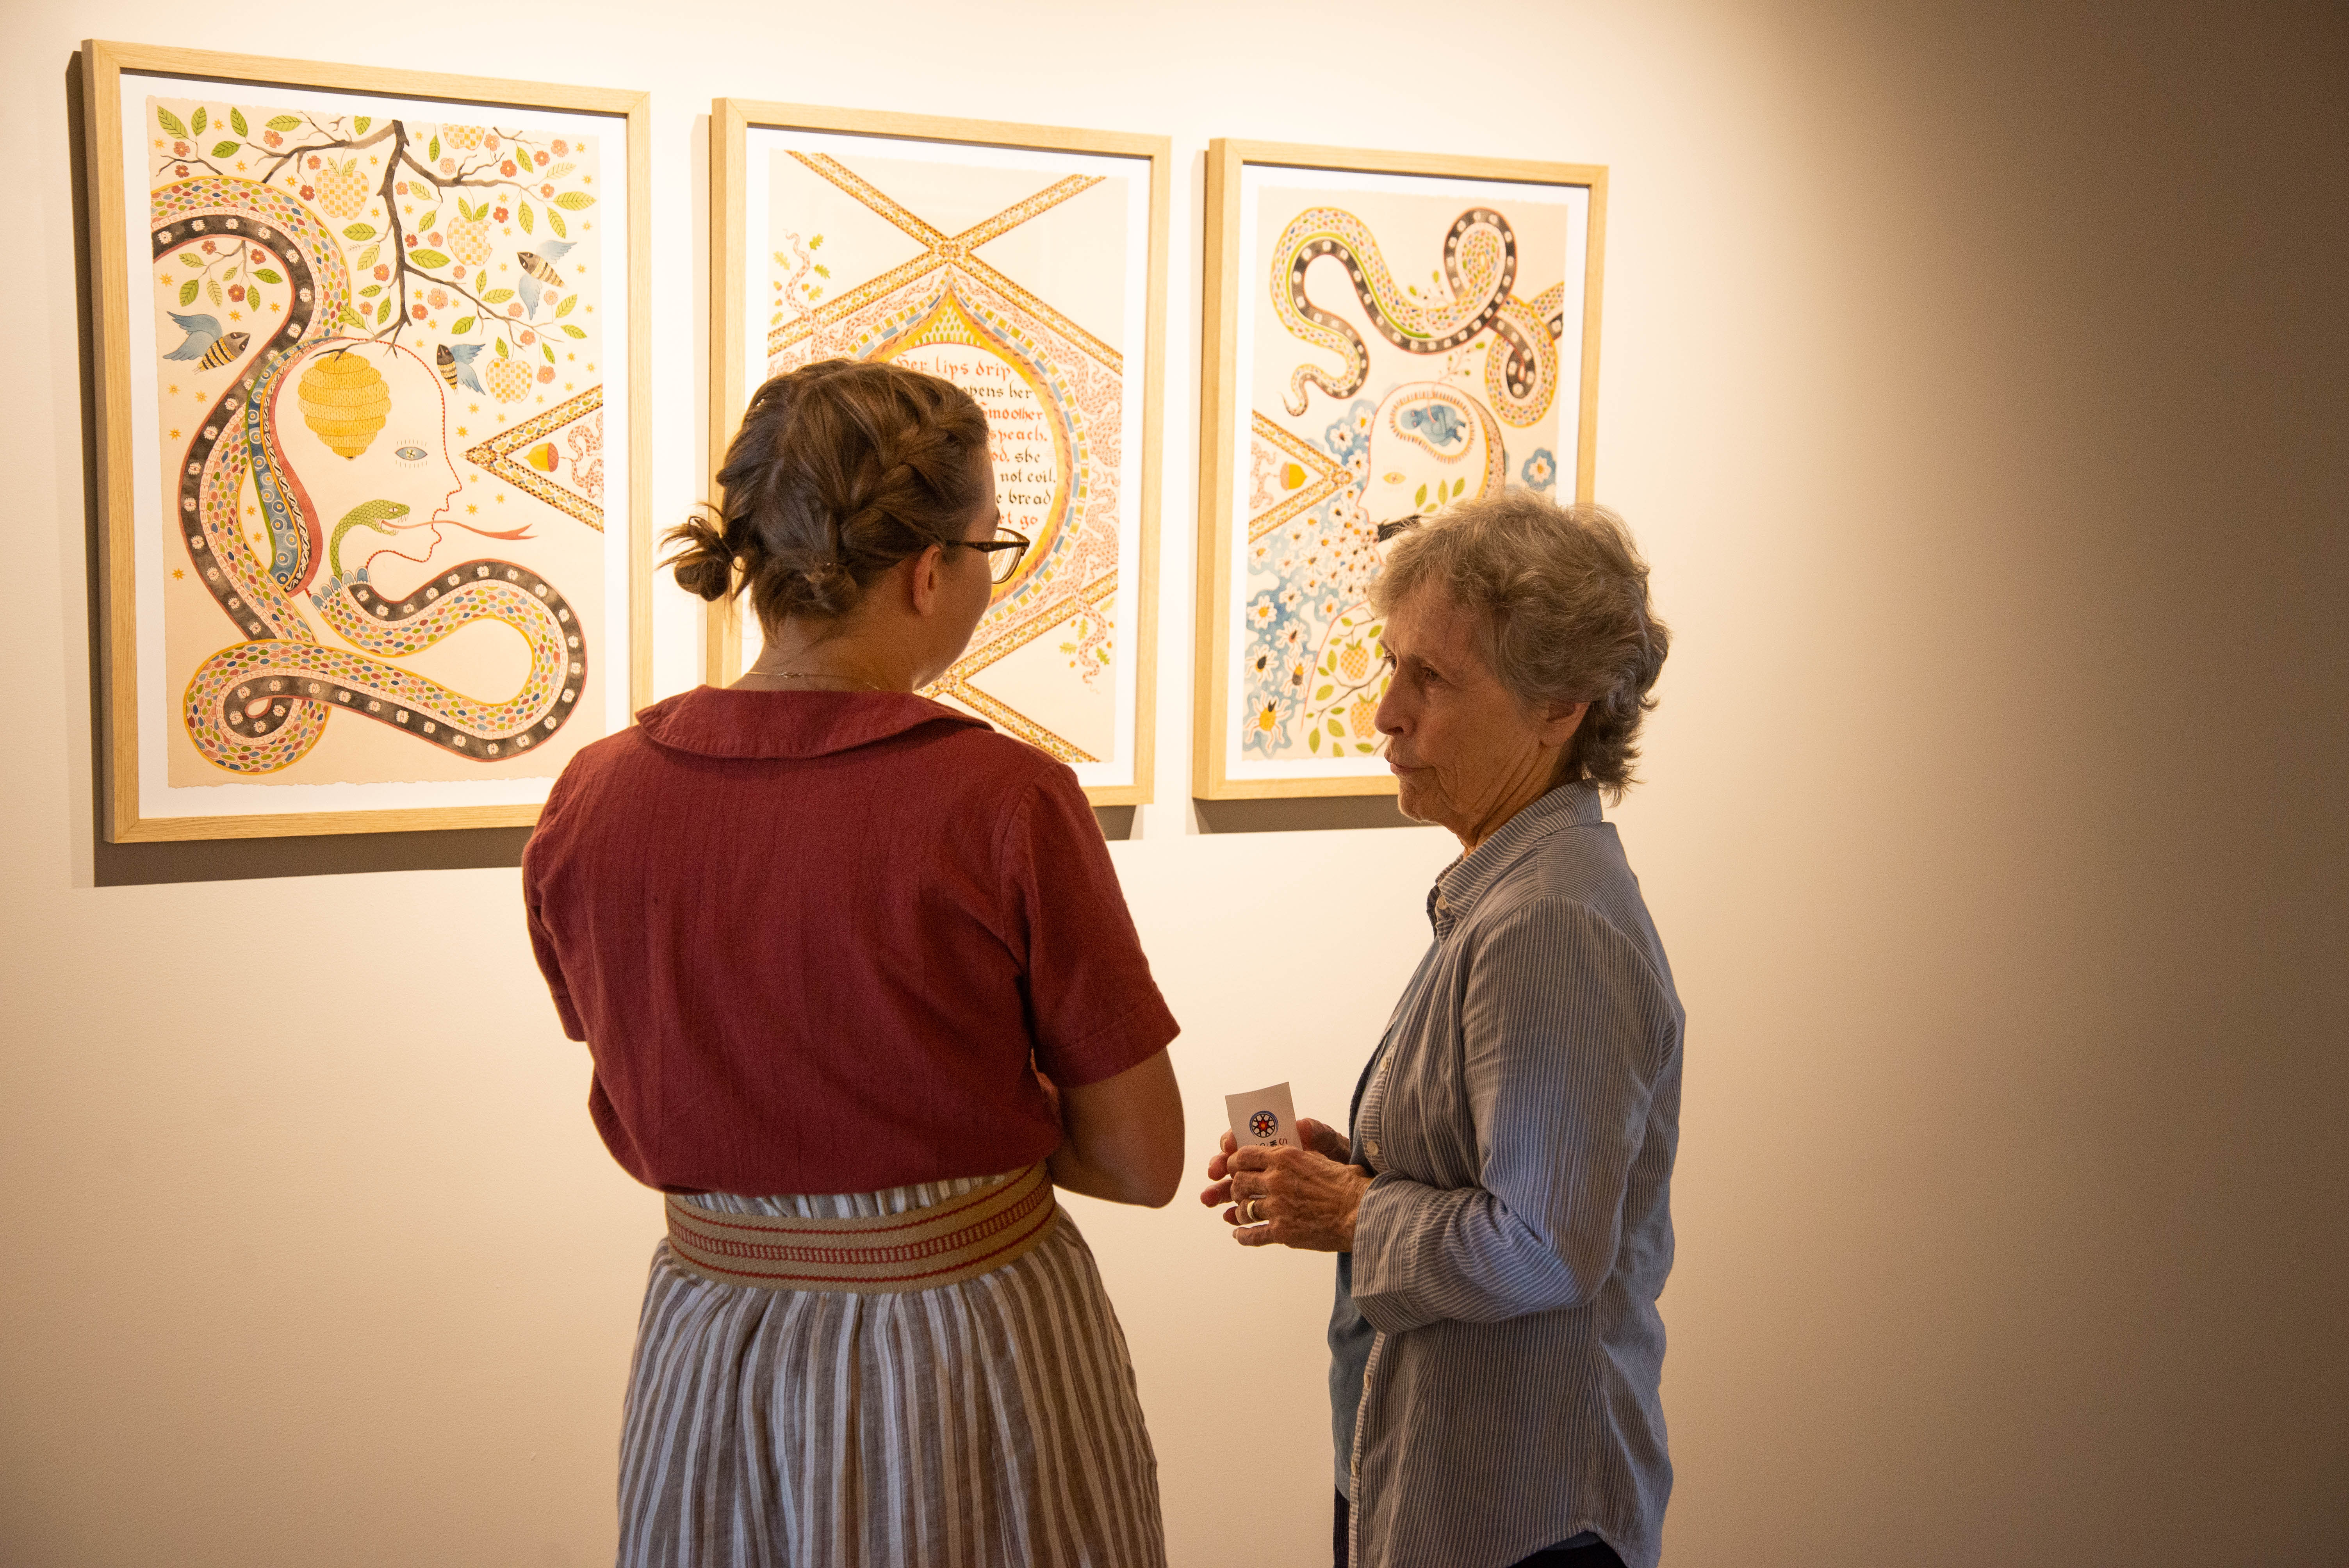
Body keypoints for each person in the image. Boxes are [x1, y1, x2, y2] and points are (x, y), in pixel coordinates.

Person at [523, 358, 1183, 1568]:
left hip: (712, 1354)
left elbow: (657, 1058)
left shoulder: (594, 798)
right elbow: (1142, 1159)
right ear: (930, 571)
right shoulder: (1004, 799)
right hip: (961, 1359)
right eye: (994, 545)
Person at [1201, 494, 1682, 1568]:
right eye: (1392, 667)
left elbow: (1543, 1248)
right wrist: (1351, 1170)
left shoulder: (1549, 920)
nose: (1385, 713)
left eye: (1432, 679)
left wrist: (1356, 1210)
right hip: (1454, 1487)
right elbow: (1503, 1177)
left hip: (1521, 1513)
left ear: (1559, 706)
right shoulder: (1507, 892)